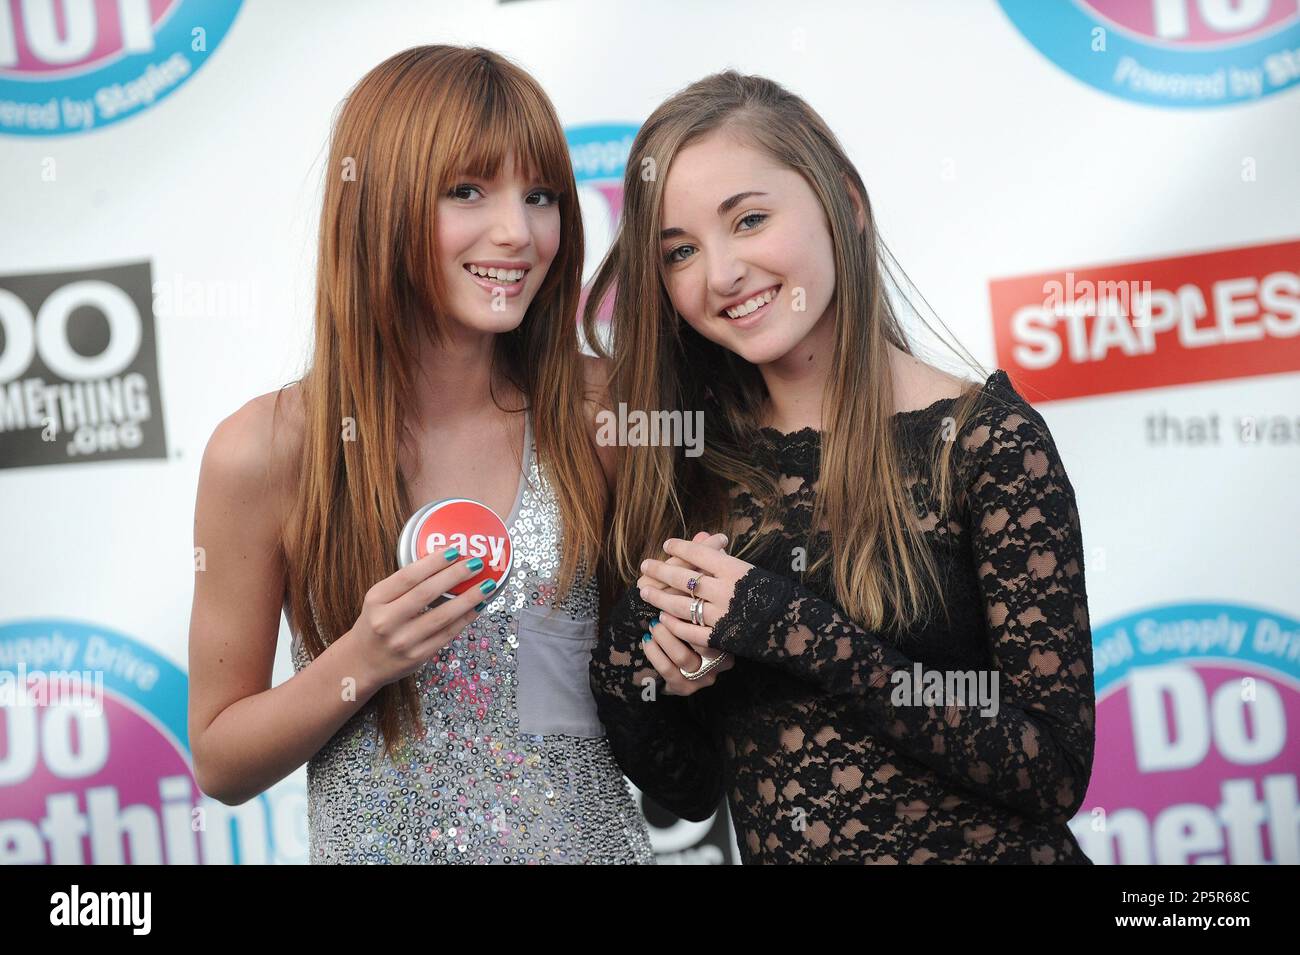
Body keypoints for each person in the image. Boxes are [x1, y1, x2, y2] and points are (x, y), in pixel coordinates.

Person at [585, 70, 1095, 863]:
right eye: (681, 251)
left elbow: (1053, 771)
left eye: (749, 220)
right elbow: (686, 788)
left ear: (845, 204)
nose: (720, 274)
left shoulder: (986, 442)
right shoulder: (686, 463)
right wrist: (639, 665)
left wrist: (790, 627)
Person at [187, 45, 652, 864]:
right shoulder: (264, 450)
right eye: (468, 191)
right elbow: (220, 759)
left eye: (540, 195)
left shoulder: (598, 409)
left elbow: (647, 683)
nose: (516, 232)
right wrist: (363, 659)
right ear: (379, 205)